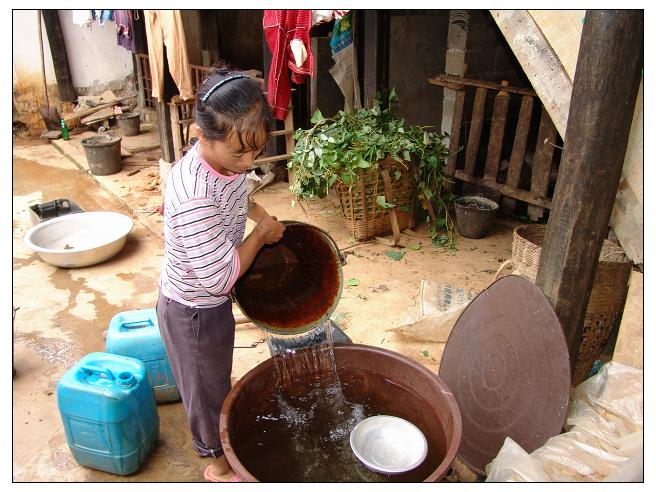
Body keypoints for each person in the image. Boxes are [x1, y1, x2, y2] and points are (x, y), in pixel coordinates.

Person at [156, 65, 285, 482]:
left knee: (211, 377)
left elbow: (237, 192)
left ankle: (215, 431)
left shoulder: (227, 163)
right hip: (193, 307)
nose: (248, 163)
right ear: (200, 136)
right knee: (206, 389)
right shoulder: (193, 192)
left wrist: (258, 212)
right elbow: (219, 278)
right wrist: (260, 237)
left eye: (256, 151)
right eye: (239, 154)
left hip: (209, 301)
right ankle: (216, 464)